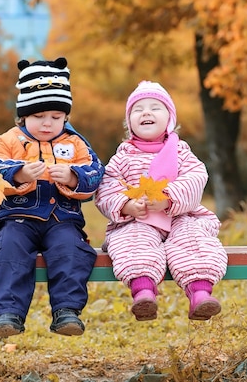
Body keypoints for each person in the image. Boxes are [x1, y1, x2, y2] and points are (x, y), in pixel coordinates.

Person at [0, 57, 105, 338]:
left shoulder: (74, 143)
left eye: (56, 117)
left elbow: (96, 171)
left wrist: (75, 178)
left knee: (71, 250)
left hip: (62, 219)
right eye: (39, 117)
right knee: (7, 251)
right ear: (23, 116)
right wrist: (19, 174)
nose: (48, 123)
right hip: (17, 218)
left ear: (66, 117)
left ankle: (67, 310)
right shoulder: (8, 140)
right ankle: (7, 313)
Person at [95, 80, 228, 321]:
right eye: (138, 109)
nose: (146, 112)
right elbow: (107, 185)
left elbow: (196, 176)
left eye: (155, 107)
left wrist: (169, 198)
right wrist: (126, 205)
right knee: (133, 240)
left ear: (170, 119)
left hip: (180, 215)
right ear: (129, 123)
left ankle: (200, 294)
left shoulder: (181, 151)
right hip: (140, 218)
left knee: (193, 238)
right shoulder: (123, 156)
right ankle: (143, 292)